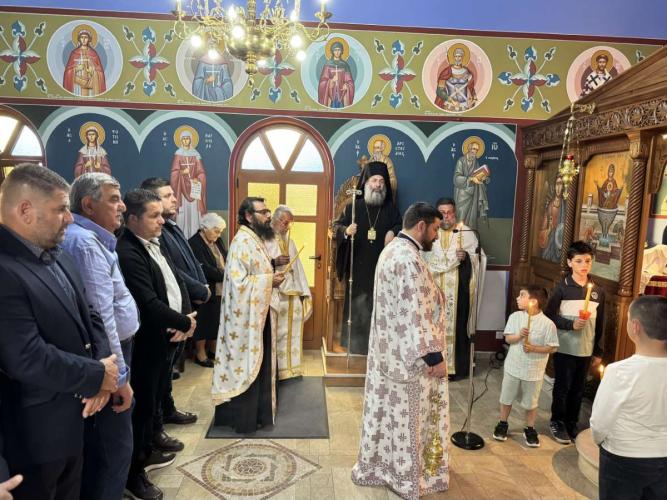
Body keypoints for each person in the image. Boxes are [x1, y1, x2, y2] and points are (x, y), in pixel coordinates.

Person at [0, 164, 118, 499]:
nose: (69, 218)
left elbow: (91, 316)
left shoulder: (59, 255)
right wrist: (96, 375)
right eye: (61, 209)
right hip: (36, 437)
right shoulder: (5, 268)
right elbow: (26, 356)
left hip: (79, 417)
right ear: (25, 211)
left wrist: (103, 369)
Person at [352, 202, 448, 499]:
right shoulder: (408, 260)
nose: (437, 236)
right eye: (435, 229)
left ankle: (384, 468)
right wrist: (434, 357)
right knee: (407, 419)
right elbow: (414, 313)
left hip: (389, 352)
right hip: (410, 360)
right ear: (421, 226)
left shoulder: (392, 250)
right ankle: (406, 477)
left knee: (389, 415)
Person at [61, 173, 139, 499]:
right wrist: (118, 378)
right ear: (89, 205)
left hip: (110, 355)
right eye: (114, 199)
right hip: (107, 359)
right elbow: (101, 316)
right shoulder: (85, 244)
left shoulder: (93, 239)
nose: (122, 206)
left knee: (109, 448)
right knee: (113, 449)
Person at [117, 189, 197, 500]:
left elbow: (173, 281)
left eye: (161, 215)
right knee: (142, 408)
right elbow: (148, 302)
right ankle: (134, 475)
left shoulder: (153, 243)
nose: (161, 220)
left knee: (153, 400)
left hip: (165, 335)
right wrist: (184, 323)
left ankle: (149, 448)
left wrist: (184, 317)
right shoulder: (128, 251)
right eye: (154, 216)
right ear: (132, 219)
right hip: (147, 341)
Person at [212, 197, 285, 433]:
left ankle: (260, 415)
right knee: (250, 365)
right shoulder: (241, 242)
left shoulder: (255, 239)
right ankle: (246, 419)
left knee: (262, 364)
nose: (268, 216)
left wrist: (271, 271)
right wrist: (269, 281)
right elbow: (238, 283)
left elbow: (256, 269)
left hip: (259, 314)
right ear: (248, 216)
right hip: (246, 319)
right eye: (263, 212)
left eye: (268, 211)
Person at [141, 178, 206, 433]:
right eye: (167, 196)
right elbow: (175, 272)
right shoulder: (158, 234)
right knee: (158, 376)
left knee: (166, 373)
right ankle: (157, 423)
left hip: (181, 311)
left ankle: (167, 410)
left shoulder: (171, 227)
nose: (174, 199)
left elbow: (181, 268)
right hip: (166, 318)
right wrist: (199, 290)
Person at [590, 296, 667, 500]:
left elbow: (600, 422)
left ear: (635, 326)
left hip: (624, 457)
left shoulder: (619, 371)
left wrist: (599, 441)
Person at [333, 161, 402, 355]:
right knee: (357, 305)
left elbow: (400, 226)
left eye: (381, 181)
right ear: (366, 183)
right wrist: (346, 231)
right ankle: (355, 345)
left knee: (380, 305)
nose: (378, 185)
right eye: (374, 180)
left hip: (382, 268)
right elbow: (336, 227)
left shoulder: (390, 209)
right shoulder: (353, 207)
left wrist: (393, 231)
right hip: (357, 267)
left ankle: (378, 345)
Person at [545, 240, 605, 444]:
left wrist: (598, 351)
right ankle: (557, 421)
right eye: (578, 261)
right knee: (562, 386)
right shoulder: (562, 289)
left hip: (586, 348)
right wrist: (570, 325)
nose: (584, 265)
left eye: (588, 261)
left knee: (578, 388)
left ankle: (572, 422)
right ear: (570, 263)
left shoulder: (598, 291)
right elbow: (549, 316)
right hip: (565, 347)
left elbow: (600, 323)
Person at [422, 198, 485, 380]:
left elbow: (479, 260)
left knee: (456, 328)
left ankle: (454, 369)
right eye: (442, 213)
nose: (446, 216)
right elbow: (421, 257)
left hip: (458, 294)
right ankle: (432, 366)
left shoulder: (467, 233)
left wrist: (466, 259)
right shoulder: (429, 231)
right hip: (432, 291)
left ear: (455, 213)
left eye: (450, 212)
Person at [492, 286, 558, 447]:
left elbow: (552, 347)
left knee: (531, 401)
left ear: (533, 301)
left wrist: (534, 348)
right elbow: (508, 339)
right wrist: (519, 336)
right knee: (506, 396)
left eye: (522, 295)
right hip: (514, 366)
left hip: (533, 370)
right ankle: (502, 423)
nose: (517, 298)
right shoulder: (515, 317)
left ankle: (529, 428)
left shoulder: (548, 324)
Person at [265, 206, 312, 380]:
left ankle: (293, 369)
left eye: (290, 224)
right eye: (285, 223)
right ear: (275, 220)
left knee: (293, 333)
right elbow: (258, 267)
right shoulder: (264, 240)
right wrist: (274, 262)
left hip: (293, 295)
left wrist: (304, 292)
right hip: (276, 295)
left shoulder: (290, 242)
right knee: (278, 334)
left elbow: (297, 268)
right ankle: (277, 371)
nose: (287, 227)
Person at [188, 213, 228, 367]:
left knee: (216, 320)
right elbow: (203, 268)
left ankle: (213, 350)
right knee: (203, 322)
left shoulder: (218, 241)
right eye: (216, 231)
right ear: (205, 228)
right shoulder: (194, 243)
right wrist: (226, 275)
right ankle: (200, 354)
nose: (218, 235)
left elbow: (226, 257)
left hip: (220, 288)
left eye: (220, 231)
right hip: (205, 288)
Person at [170, 129, 207, 238]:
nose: (186, 141)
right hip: (181, 190)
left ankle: (195, 236)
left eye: (187, 139)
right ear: (181, 141)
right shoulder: (178, 154)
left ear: (190, 140)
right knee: (183, 215)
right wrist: (182, 172)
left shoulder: (195, 155)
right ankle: (183, 236)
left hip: (194, 190)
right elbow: (174, 172)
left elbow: (202, 172)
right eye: (184, 139)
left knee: (194, 213)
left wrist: (198, 179)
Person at [453, 140, 489, 230]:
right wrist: (471, 179)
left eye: (476, 150)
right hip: (462, 196)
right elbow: (456, 178)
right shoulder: (461, 161)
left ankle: (471, 237)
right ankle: (458, 237)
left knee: (471, 220)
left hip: (473, 195)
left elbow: (477, 174)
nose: (474, 151)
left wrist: (483, 178)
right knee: (461, 218)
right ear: (469, 148)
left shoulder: (475, 162)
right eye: (473, 148)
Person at [63, 26, 106, 96]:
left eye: (86, 37)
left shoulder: (93, 53)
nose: (83, 39)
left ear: (89, 39)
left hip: (91, 88)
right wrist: (76, 69)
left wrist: (93, 71)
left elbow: (100, 72)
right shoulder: (74, 53)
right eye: (82, 37)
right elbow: (67, 73)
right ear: (79, 39)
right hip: (77, 87)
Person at [434, 45, 477, 112]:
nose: (457, 58)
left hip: (465, 106)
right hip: (449, 105)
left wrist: (474, 98)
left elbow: (471, 89)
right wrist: (452, 101)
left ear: (462, 57)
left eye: (459, 56)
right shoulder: (446, 72)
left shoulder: (467, 72)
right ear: (453, 57)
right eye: (456, 56)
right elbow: (439, 91)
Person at [317, 40, 355, 108]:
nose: (337, 52)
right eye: (335, 50)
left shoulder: (345, 65)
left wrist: (347, 86)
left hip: (342, 94)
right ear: (332, 51)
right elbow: (322, 81)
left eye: (339, 50)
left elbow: (350, 81)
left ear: (341, 51)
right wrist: (331, 81)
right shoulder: (328, 65)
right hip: (331, 94)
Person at [538, 174, 565, 262]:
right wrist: (548, 230)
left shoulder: (566, 205)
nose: (558, 187)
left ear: (563, 187)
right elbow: (543, 229)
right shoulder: (550, 205)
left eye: (561, 184)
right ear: (554, 186)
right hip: (550, 241)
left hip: (560, 241)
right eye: (557, 184)